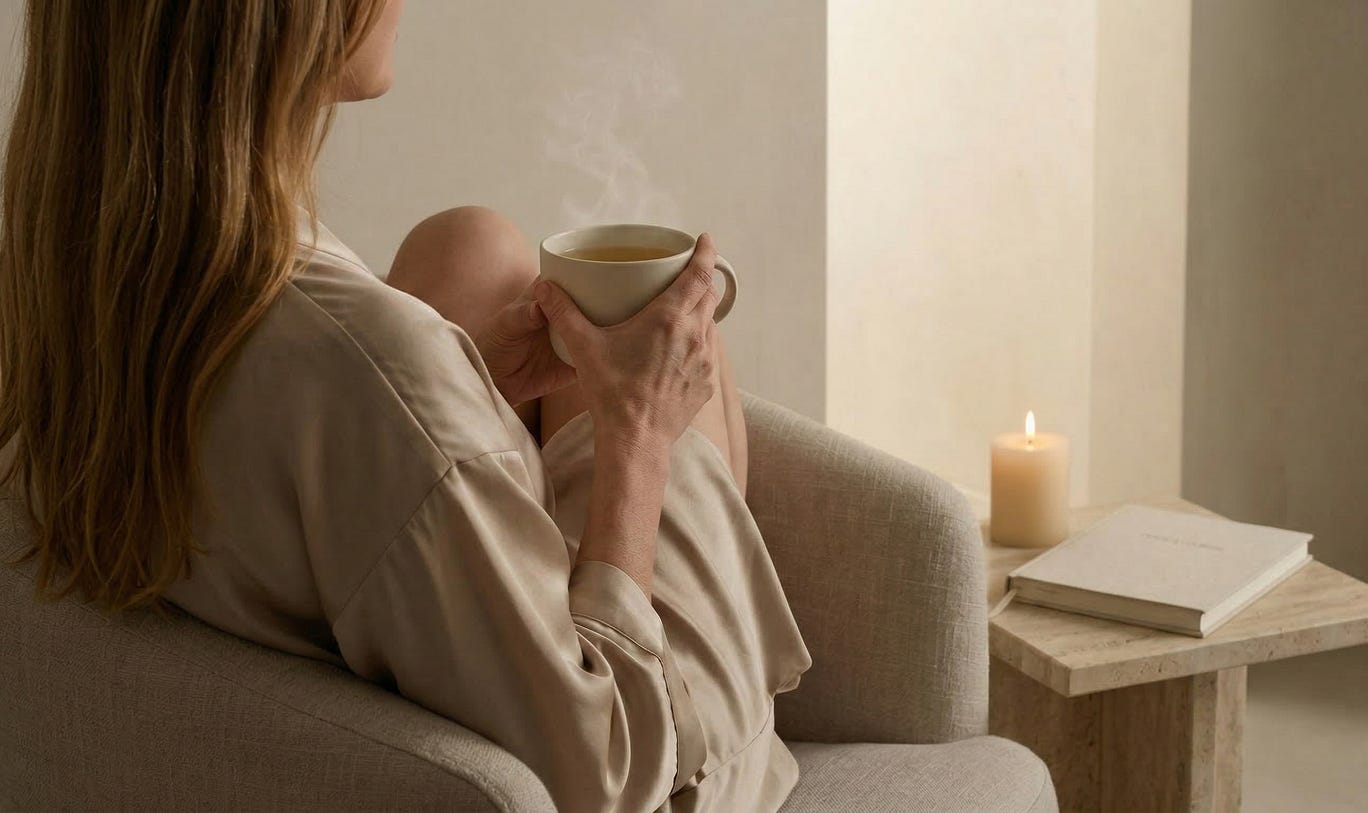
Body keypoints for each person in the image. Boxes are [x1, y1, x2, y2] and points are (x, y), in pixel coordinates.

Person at [0, 1, 812, 810]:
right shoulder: (368, 365)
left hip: (358, 603)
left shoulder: (85, 274)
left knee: (472, 245)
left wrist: (461, 407)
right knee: (662, 324)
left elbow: (331, 439)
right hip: (642, 762)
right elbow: (604, 770)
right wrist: (639, 429)